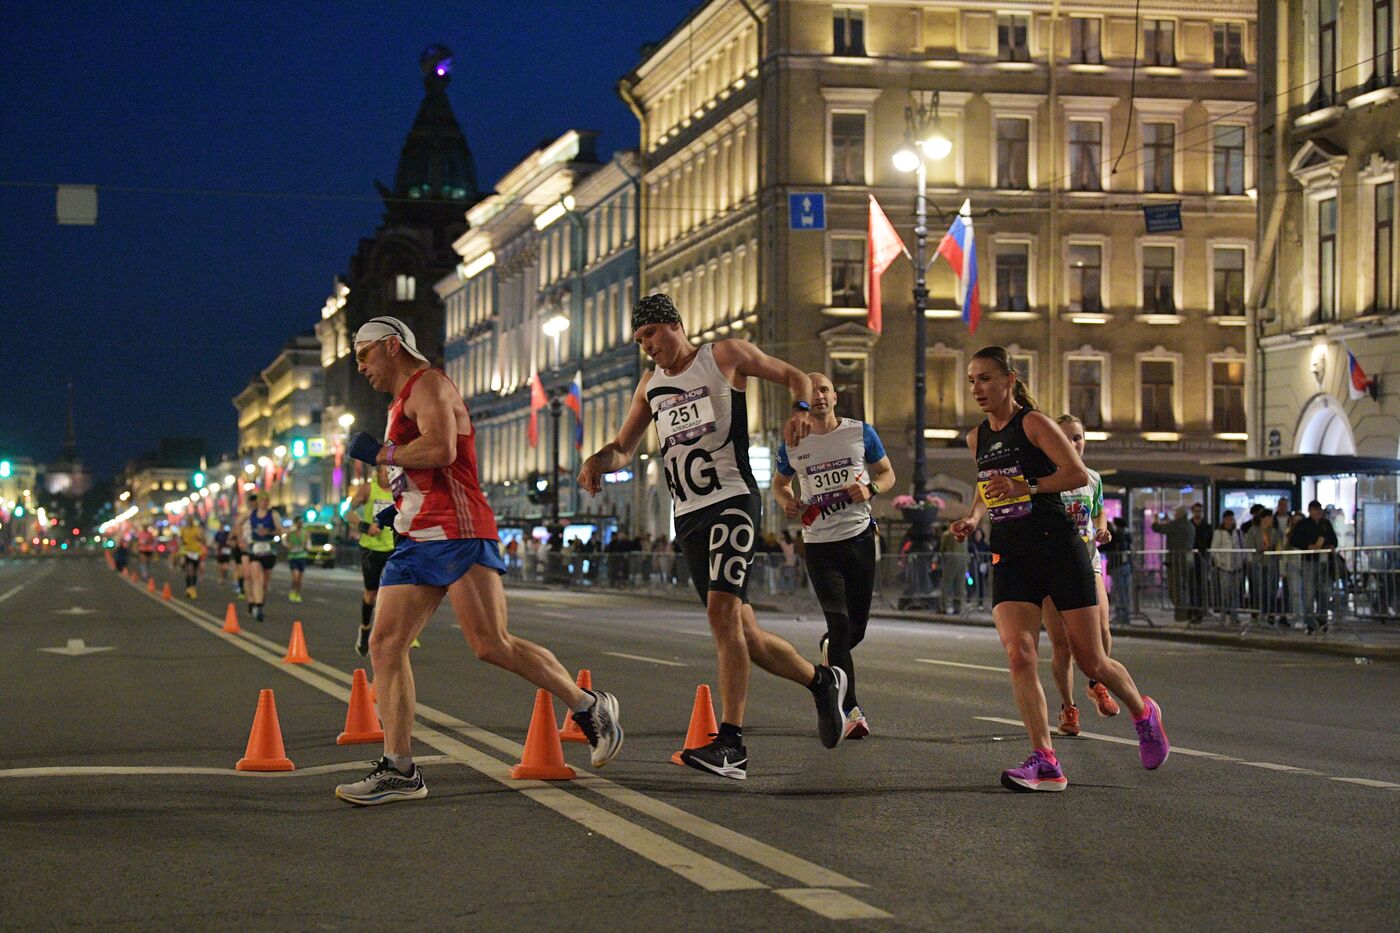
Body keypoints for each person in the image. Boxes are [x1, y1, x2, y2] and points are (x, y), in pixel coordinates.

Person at [335, 316, 622, 806]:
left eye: (364, 355)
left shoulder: (429, 385)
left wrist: (383, 454)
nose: (361, 367)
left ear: (390, 346)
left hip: (458, 531)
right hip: (419, 535)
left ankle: (588, 705)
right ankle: (400, 768)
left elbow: (443, 449)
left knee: (491, 644)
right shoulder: (403, 399)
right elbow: (423, 470)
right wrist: (397, 508)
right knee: (385, 645)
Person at [578, 294, 845, 781]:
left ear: (675, 324)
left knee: (721, 615)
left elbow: (795, 376)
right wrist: (598, 459)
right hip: (689, 516)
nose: (647, 347)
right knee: (746, 634)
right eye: (639, 341)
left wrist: (801, 408)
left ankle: (732, 744)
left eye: (651, 335)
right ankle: (821, 680)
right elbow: (623, 447)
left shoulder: (723, 356)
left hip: (733, 501)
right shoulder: (651, 386)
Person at [949, 346, 1168, 793]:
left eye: (985, 378)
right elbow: (987, 484)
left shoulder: (1033, 423)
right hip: (1011, 552)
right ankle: (1045, 760)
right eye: (972, 380)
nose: (977, 389)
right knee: (1019, 654)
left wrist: (1026, 485)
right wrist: (973, 518)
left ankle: (1143, 712)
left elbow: (1077, 474)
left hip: (1058, 549)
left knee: (1091, 658)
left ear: (1010, 380)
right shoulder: (977, 437)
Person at [772, 371, 896, 741]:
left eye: (824, 389)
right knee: (840, 624)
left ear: (835, 396)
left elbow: (888, 473)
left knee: (855, 628)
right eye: (811, 393)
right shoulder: (793, 441)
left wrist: (870, 488)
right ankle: (851, 709)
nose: (819, 397)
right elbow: (779, 485)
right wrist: (787, 502)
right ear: (803, 400)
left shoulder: (861, 432)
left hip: (859, 539)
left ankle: (831, 652)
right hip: (819, 543)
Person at [1040, 414, 1118, 738]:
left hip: (1088, 562)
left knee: (1101, 629)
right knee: (1063, 646)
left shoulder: (1093, 478)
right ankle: (1068, 708)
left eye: (1078, 438)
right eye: (1066, 438)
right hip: (1051, 566)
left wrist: (1102, 529)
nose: (1073, 444)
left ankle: (1097, 683)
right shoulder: (1045, 479)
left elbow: (1098, 510)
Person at [348, 465, 397, 656]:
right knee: (371, 594)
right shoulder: (368, 489)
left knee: (397, 591)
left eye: (392, 471)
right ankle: (365, 628)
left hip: (394, 548)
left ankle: (398, 634)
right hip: (371, 548)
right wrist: (364, 526)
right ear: (378, 472)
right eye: (385, 472)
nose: (388, 476)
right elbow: (347, 512)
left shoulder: (398, 489)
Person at [1286, 500, 1338, 633]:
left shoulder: (1325, 524)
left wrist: (1328, 544)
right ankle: (1309, 620)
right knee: (1308, 592)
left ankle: (1322, 619)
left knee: (1324, 591)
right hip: (1309, 561)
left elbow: (1334, 540)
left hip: (1324, 561)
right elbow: (1294, 540)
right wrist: (1308, 546)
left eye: (1319, 509)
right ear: (1310, 511)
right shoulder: (1303, 524)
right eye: (1315, 509)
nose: (1318, 512)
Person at [243, 492, 283, 621]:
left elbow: (280, 530)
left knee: (265, 583)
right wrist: (239, 539)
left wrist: (269, 532)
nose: (265, 503)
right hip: (255, 550)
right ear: (259, 502)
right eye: (263, 500)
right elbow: (238, 523)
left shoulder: (273, 514)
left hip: (269, 550)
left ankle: (260, 603)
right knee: (256, 579)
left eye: (267, 500)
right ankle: (257, 606)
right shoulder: (251, 514)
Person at [1151, 506, 1193, 621]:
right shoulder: (1190, 526)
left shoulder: (1176, 525)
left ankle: (1181, 616)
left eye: (1175, 513)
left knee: (1176, 589)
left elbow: (1158, 528)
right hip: (1186, 561)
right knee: (1183, 587)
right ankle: (1183, 614)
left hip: (1175, 561)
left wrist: (1155, 520)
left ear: (1179, 514)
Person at [1243, 510, 1280, 625]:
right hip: (1257, 563)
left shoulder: (1274, 532)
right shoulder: (1253, 531)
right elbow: (1250, 545)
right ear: (1263, 519)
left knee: (1271, 589)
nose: (1271, 520)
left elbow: (1278, 544)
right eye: (1269, 518)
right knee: (1258, 588)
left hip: (1271, 563)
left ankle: (1270, 613)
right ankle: (1257, 611)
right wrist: (1260, 549)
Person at [1211, 511, 1246, 623]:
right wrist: (1220, 561)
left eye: (1231, 518)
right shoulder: (1219, 533)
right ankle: (1223, 614)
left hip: (1237, 565)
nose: (1230, 521)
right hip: (1225, 566)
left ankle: (1234, 616)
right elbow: (1214, 549)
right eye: (1227, 519)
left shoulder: (1238, 532)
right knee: (1225, 592)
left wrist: (1242, 559)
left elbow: (1242, 546)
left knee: (1235, 592)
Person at [1102, 516, 1134, 628]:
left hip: (1118, 567)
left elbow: (1105, 547)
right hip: (1125, 566)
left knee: (1120, 592)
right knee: (1123, 591)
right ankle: (1124, 616)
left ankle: (1122, 616)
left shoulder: (1116, 536)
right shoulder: (1126, 535)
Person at [285, 516, 310, 604]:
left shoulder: (305, 533)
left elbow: (308, 544)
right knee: (295, 577)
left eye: (301, 522)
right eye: (298, 522)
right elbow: (285, 541)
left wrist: (307, 547)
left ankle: (297, 593)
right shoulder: (290, 533)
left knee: (299, 578)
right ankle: (292, 591)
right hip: (293, 557)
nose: (300, 524)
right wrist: (289, 546)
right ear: (295, 523)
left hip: (302, 556)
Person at [179, 520, 206, 599]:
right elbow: (181, 539)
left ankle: (193, 587)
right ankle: (188, 587)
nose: (190, 523)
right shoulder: (184, 529)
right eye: (188, 521)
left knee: (194, 571)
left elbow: (203, 540)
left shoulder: (197, 530)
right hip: (187, 552)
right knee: (189, 570)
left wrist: (200, 538)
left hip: (196, 553)